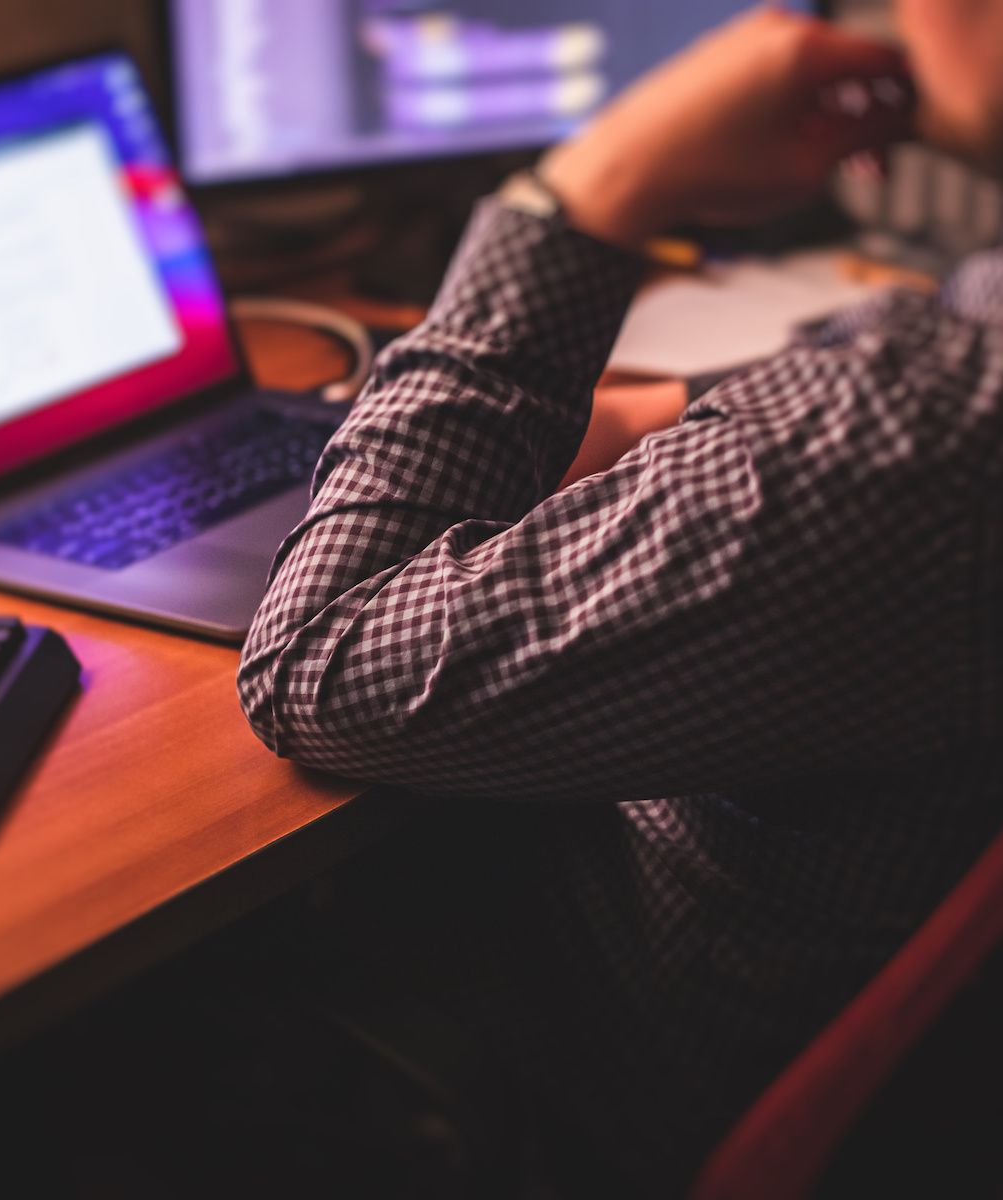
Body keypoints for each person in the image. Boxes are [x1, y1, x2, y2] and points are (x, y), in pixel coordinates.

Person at [238, 3, 1003, 1192]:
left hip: (597, 1086)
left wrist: (589, 191)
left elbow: (316, 668)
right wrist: (689, 418)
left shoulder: (920, 440)